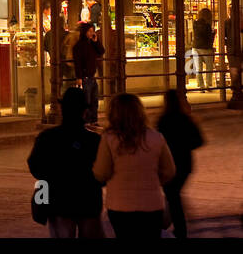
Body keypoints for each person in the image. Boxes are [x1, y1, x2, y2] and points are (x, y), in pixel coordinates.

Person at [93, 93, 176, 238]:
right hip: (152, 203)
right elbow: (169, 171)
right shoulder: (156, 137)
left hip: (119, 204)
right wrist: (152, 181)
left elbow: (102, 172)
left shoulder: (109, 139)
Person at [27, 87, 104, 238]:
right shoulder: (94, 140)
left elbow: (34, 165)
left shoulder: (47, 138)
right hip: (88, 201)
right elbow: (104, 172)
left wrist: (52, 177)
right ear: (84, 111)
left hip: (58, 202)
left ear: (62, 109)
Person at [156, 91, 203, 239]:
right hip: (185, 163)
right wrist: (185, 144)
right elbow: (199, 141)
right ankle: (175, 225)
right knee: (174, 195)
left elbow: (158, 143)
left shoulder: (163, 120)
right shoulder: (186, 119)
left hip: (169, 163)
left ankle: (176, 227)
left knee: (173, 196)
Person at [72, 21, 105, 125]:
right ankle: (86, 121)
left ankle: (93, 120)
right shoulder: (79, 46)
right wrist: (79, 77)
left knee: (94, 100)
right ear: (84, 32)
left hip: (92, 76)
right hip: (85, 77)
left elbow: (101, 51)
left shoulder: (91, 44)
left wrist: (96, 41)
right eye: (90, 31)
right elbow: (78, 62)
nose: (92, 33)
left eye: (93, 31)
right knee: (87, 101)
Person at [192, 9, 215, 90]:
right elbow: (209, 38)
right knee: (209, 67)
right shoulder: (207, 25)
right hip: (206, 48)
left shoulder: (195, 23)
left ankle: (201, 86)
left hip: (195, 47)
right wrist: (213, 33)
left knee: (199, 68)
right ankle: (208, 84)